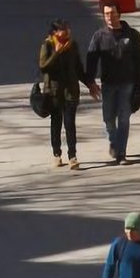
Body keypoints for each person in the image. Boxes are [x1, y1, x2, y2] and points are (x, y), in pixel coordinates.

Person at [86, 0, 140, 164]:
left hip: (128, 83)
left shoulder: (132, 35)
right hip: (108, 84)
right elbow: (91, 59)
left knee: (123, 117)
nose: (109, 17)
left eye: (112, 13)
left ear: (119, 14)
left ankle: (121, 153)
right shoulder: (99, 36)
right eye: (106, 14)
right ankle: (114, 142)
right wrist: (90, 82)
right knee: (108, 118)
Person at [38, 19, 100, 169]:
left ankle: (73, 156)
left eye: (67, 30)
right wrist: (56, 53)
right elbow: (43, 67)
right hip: (54, 92)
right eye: (63, 31)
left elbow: (78, 68)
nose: (66, 34)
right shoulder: (47, 45)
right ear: (55, 33)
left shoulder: (73, 46)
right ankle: (57, 155)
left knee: (70, 124)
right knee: (56, 123)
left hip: (71, 91)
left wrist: (90, 84)